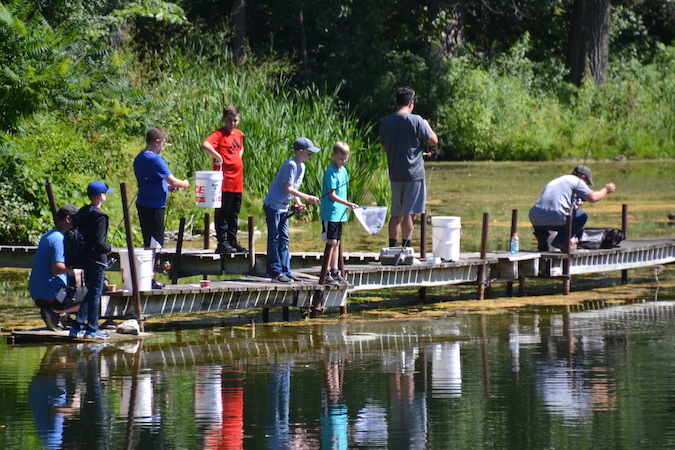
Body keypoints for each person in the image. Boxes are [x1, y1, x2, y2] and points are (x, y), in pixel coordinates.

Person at [379, 86, 438, 248]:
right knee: (409, 214)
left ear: (396, 102)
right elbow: (434, 141)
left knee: (396, 214)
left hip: (395, 174)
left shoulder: (386, 121)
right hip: (414, 175)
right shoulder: (417, 120)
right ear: (411, 103)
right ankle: (406, 250)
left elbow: (384, 147)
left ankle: (392, 249)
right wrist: (427, 124)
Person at [134, 126, 189, 288]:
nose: (163, 148)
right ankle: (150, 279)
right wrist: (184, 184)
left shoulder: (139, 158)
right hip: (155, 206)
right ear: (157, 142)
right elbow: (173, 180)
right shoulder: (156, 159)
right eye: (163, 144)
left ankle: (146, 277)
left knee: (148, 242)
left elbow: (152, 180)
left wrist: (167, 188)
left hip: (143, 203)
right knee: (155, 244)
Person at [263, 137, 320, 283]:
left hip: (283, 207)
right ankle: (276, 273)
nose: (310, 156)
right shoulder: (291, 165)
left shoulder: (302, 167)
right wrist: (308, 197)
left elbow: (293, 189)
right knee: (275, 239)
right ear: (300, 152)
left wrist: (299, 203)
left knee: (284, 239)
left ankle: (286, 271)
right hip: (273, 206)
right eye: (309, 153)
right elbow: (288, 188)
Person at [529, 165, 617, 251]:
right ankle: (561, 240)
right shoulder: (577, 181)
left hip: (535, 216)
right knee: (582, 216)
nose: (586, 185)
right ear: (583, 177)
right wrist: (606, 190)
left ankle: (542, 240)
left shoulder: (557, 181)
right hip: (557, 215)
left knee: (558, 215)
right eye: (587, 183)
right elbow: (593, 197)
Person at [29, 204, 86, 331]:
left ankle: (62, 316)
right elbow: (57, 269)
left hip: (39, 296)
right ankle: (57, 312)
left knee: (76, 274)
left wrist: (75, 270)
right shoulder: (59, 240)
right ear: (68, 219)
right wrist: (81, 264)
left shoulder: (48, 236)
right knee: (94, 294)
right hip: (52, 297)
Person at [69, 181, 114, 340]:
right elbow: (99, 242)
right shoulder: (100, 216)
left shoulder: (82, 212)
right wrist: (109, 248)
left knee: (91, 291)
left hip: (84, 258)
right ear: (101, 196)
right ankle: (92, 329)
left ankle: (77, 326)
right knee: (95, 293)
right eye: (106, 193)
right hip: (96, 260)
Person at [201, 106, 248, 254]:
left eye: (235, 120)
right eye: (229, 120)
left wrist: (238, 157)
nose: (232, 123)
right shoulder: (219, 134)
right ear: (223, 119)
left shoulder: (239, 134)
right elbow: (205, 145)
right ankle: (222, 242)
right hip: (224, 181)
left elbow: (241, 147)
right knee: (223, 213)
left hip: (237, 181)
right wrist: (218, 156)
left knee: (234, 212)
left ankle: (233, 240)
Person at [320, 141, 358, 284]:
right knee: (331, 242)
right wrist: (348, 204)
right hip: (330, 213)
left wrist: (347, 207)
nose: (343, 160)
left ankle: (335, 271)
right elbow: (332, 195)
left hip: (341, 214)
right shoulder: (330, 172)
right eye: (341, 158)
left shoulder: (344, 171)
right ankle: (327, 272)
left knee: (337, 242)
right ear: (334, 155)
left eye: (346, 158)